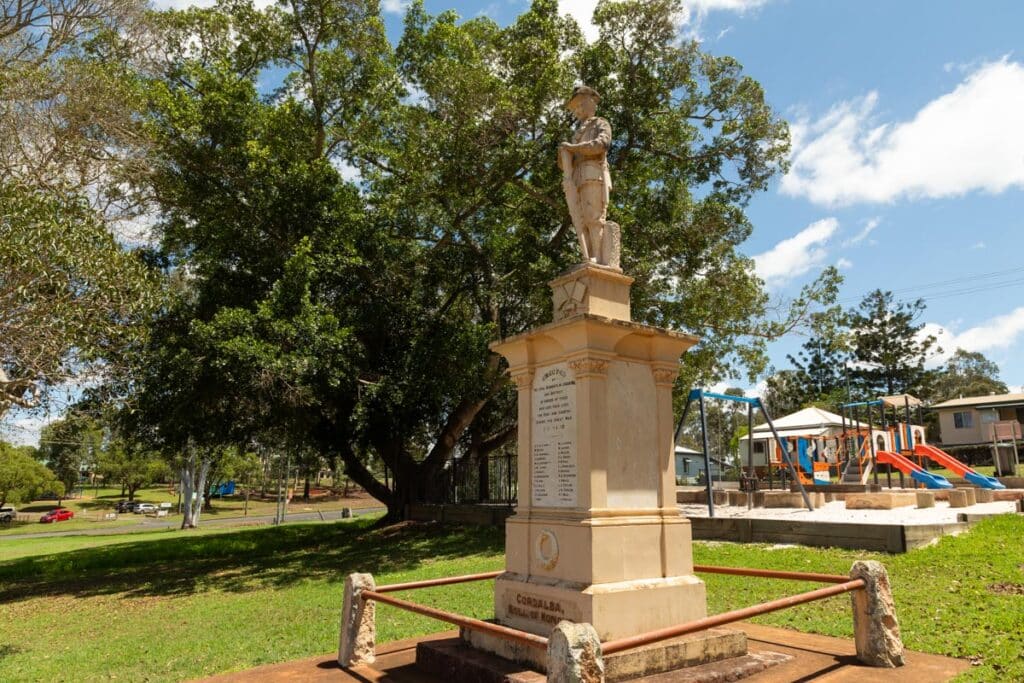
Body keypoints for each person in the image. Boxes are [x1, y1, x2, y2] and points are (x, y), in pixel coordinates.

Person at [558, 85, 620, 268]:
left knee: (593, 217)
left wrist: (573, 148)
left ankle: (598, 258)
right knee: (582, 219)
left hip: (593, 173)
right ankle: (589, 255)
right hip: (577, 177)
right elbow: (565, 162)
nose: (577, 110)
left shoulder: (600, 123)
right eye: (575, 108)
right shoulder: (578, 132)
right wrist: (564, 153)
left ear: (591, 102)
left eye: (580, 105)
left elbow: (601, 144)